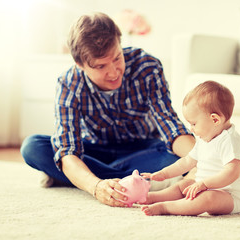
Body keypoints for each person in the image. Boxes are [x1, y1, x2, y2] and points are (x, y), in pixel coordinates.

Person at [20, 12, 195, 207]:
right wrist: (96, 187)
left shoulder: (147, 67)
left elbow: (170, 127)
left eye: (117, 58)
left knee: (177, 160)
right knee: (33, 147)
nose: (113, 72)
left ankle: (74, 178)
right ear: (80, 65)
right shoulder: (69, 83)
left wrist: (202, 158)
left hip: (144, 150)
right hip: (93, 150)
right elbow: (68, 149)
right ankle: (136, 182)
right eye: (101, 66)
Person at [141, 80, 240, 216]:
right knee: (183, 185)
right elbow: (187, 162)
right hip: (202, 186)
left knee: (207, 198)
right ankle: (152, 197)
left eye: (193, 123)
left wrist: (205, 184)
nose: (191, 129)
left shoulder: (230, 140)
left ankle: (166, 208)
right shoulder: (204, 139)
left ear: (215, 119)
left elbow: (232, 173)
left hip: (228, 196)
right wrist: (164, 173)